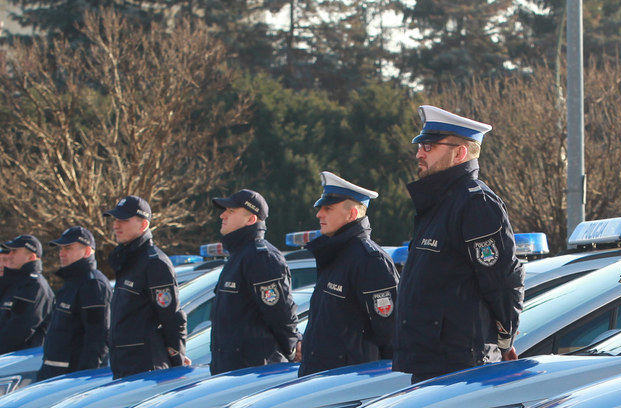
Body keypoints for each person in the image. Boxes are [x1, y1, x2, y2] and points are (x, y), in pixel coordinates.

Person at [393, 106, 525, 384]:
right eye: (420, 146)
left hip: (460, 365)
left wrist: (505, 338)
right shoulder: (439, 204)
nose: (419, 153)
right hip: (432, 361)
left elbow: (502, 281)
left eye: (429, 146)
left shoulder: (475, 203)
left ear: (459, 153)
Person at [297, 172, 399, 376]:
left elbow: (391, 335)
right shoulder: (335, 255)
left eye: (328, 209)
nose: (319, 214)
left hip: (348, 385)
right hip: (323, 380)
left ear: (352, 214)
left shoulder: (369, 260)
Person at [209, 189, 300, 374]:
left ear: (251, 219)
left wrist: (292, 349)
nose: (222, 215)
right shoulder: (238, 256)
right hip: (232, 370)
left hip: (254, 373)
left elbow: (281, 313)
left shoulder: (261, 257)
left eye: (231, 211)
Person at [105, 195, 187, 379]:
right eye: (115, 220)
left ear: (143, 225)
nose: (116, 225)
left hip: (147, 370)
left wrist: (177, 362)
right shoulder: (127, 262)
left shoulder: (154, 263)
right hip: (124, 367)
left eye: (124, 220)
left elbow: (172, 317)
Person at [37, 226, 112, 381]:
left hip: (72, 379)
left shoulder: (93, 284)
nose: (61, 253)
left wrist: (83, 378)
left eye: (68, 248)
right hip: (54, 375)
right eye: (61, 249)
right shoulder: (71, 284)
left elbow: (98, 337)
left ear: (86, 251)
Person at [0, 235, 53, 360]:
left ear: (31, 257)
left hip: (16, 363)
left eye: (15, 251)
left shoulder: (34, 286)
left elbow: (19, 329)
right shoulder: (13, 285)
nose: (10, 255)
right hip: (0, 360)